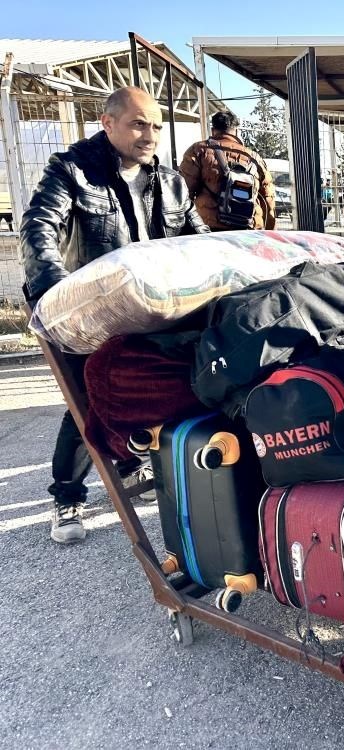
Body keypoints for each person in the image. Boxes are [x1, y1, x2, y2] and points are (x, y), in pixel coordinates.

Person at [20, 86, 209, 545]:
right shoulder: (72, 170)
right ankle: (67, 495)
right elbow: (38, 229)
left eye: (157, 126)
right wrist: (54, 292)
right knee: (87, 402)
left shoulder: (171, 180)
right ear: (108, 123)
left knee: (174, 386)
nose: (150, 135)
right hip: (97, 315)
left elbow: (196, 236)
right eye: (139, 123)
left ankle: (129, 461)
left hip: (160, 308)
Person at [179, 110, 276, 231]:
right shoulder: (255, 158)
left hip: (209, 229)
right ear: (236, 131)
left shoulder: (199, 150)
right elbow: (268, 201)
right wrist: (269, 231)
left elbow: (182, 193)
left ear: (213, 130)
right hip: (248, 230)